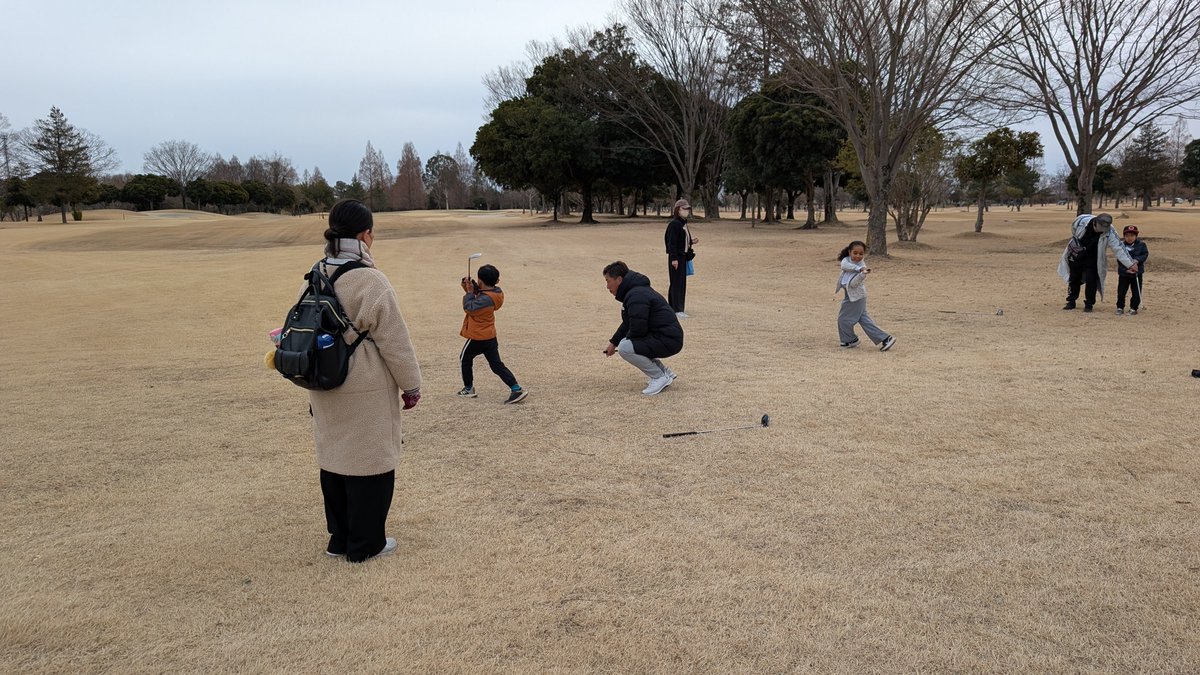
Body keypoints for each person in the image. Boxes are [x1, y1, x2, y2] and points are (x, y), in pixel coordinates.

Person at [308, 199, 422, 563]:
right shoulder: (371, 279)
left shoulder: (317, 271)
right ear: (365, 235)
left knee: (336, 457)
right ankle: (365, 544)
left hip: (324, 380)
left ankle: (338, 539)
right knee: (371, 463)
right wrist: (412, 384)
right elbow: (395, 341)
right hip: (364, 383)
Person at [602, 261, 684, 395]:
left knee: (625, 348)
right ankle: (665, 372)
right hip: (668, 337)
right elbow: (629, 323)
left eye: (608, 281)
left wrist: (622, 344)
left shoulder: (636, 295)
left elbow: (638, 329)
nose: (607, 286)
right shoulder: (635, 292)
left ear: (619, 280)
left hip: (668, 339)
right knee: (627, 344)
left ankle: (659, 377)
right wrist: (613, 342)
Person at [457, 264, 528, 404]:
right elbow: (479, 294)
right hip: (490, 336)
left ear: (480, 281)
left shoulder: (485, 299)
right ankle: (515, 388)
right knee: (496, 365)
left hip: (478, 337)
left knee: (464, 358)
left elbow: (469, 307)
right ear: (497, 281)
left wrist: (469, 292)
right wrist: (469, 286)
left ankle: (468, 388)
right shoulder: (496, 294)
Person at [1057, 212, 1137, 312]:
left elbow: (1119, 248)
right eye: (1100, 229)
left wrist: (1130, 264)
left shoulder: (1110, 231)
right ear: (1095, 223)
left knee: (1091, 280)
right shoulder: (1082, 221)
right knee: (1074, 279)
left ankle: (1089, 304)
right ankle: (1071, 301)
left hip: (1093, 258)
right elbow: (1074, 229)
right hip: (1077, 255)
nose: (1102, 231)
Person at [836, 240, 896, 352]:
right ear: (849, 252)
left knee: (843, 319)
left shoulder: (863, 269)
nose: (858, 256)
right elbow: (844, 265)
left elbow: (853, 284)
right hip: (851, 296)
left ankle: (850, 339)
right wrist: (858, 269)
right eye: (855, 253)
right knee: (863, 319)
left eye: (861, 254)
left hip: (856, 298)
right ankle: (885, 339)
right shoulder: (848, 261)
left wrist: (861, 274)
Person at [664, 198, 698, 318]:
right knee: (677, 283)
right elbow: (671, 243)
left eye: (688, 209)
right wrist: (674, 259)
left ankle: (675, 307)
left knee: (680, 283)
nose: (687, 211)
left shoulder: (683, 224)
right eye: (684, 209)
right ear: (678, 210)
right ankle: (677, 309)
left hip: (683, 257)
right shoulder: (675, 224)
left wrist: (691, 242)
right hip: (677, 258)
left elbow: (681, 240)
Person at [1115, 224, 1149, 316]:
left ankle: (1134, 308)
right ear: (1124, 236)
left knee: (1136, 291)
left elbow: (1145, 254)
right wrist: (1126, 269)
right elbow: (1119, 258)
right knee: (1121, 291)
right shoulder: (1121, 245)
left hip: (1137, 273)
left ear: (1136, 236)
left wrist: (1137, 260)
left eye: (1132, 236)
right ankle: (1120, 307)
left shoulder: (1141, 245)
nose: (1129, 238)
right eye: (1127, 236)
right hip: (1124, 273)